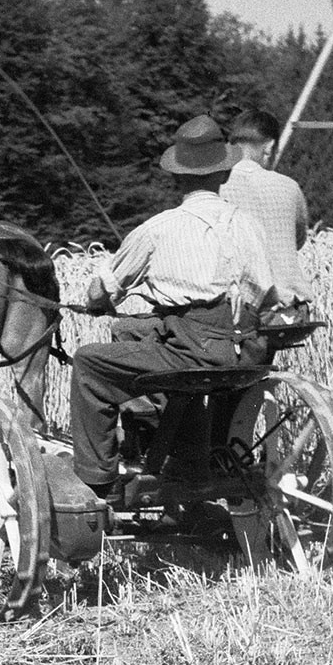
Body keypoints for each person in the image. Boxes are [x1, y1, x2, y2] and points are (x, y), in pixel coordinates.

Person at [68, 116, 291, 502]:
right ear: (223, 176)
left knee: (89, 364)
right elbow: (268, 296)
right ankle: (185, 453)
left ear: (178, 178)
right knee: (136, 332)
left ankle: (98, 481)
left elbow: (101, 292)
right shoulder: (250, 226)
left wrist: (97, 304)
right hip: (248, 352)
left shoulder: (159, 229)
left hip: (193, 351)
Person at [219, 107, 316, 444]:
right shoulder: (288, 187)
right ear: (269, 148)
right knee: (249, 373)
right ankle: (233, 438)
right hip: (285, 314)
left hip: (233, 313)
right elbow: (299, 237)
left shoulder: (216, 187)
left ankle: (219, 441)